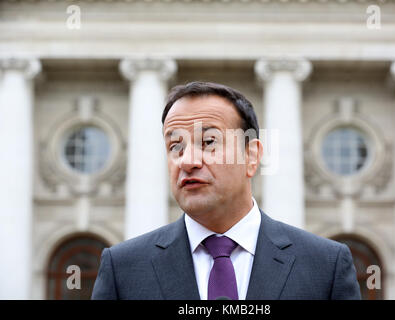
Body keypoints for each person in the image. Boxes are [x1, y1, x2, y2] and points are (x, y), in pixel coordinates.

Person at [91, 81, 361, 300]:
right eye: (175, 146)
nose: (188, 161)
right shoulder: (123, 269)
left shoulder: (325, 266)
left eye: (208, 142)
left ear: (252, 156)